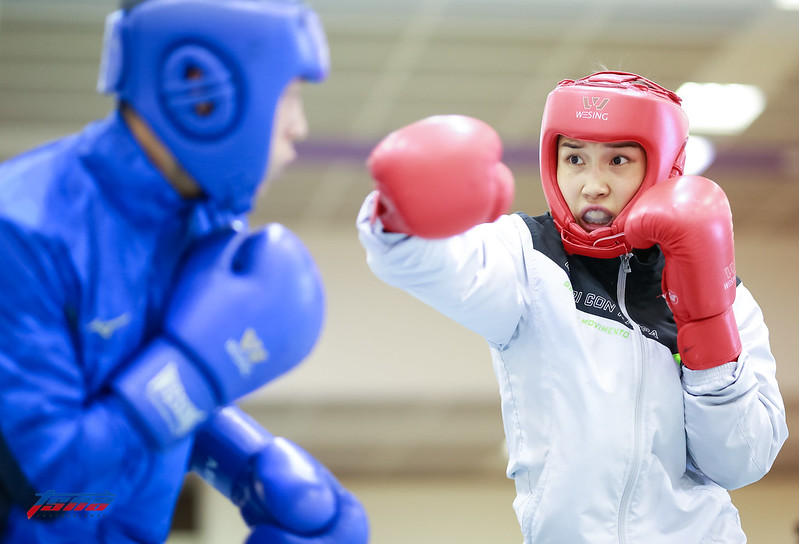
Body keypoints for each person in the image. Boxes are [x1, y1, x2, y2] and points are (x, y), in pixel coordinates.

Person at [357, 71, 788, 542]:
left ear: (664, 166)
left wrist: (707, 326)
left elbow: (740, 461)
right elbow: (429, 261)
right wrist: (399, 213)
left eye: (618, 160)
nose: (592, 184)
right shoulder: (526, 257)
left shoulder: (728, 296)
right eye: (574, 158)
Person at [0, 1, 368, 543]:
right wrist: (194, 373)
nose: (299, 128)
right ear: (205, 85)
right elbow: (49, 491)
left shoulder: (194, 225)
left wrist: (249, 466)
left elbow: (140, 391)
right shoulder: (23, 229)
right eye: (288, 94)